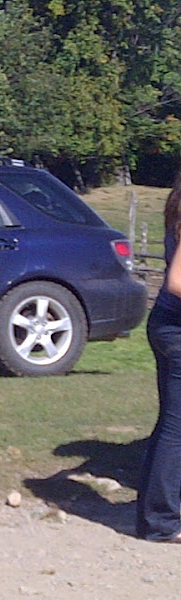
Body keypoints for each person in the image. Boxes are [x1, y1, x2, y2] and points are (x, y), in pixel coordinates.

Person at [138, 167, 181, 542]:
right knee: (175, 427)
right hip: (177, 330)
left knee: (170, 424)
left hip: (165, 325)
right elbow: (178, 281)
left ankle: (155, 515)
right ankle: (162, 522)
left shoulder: (177, 204)